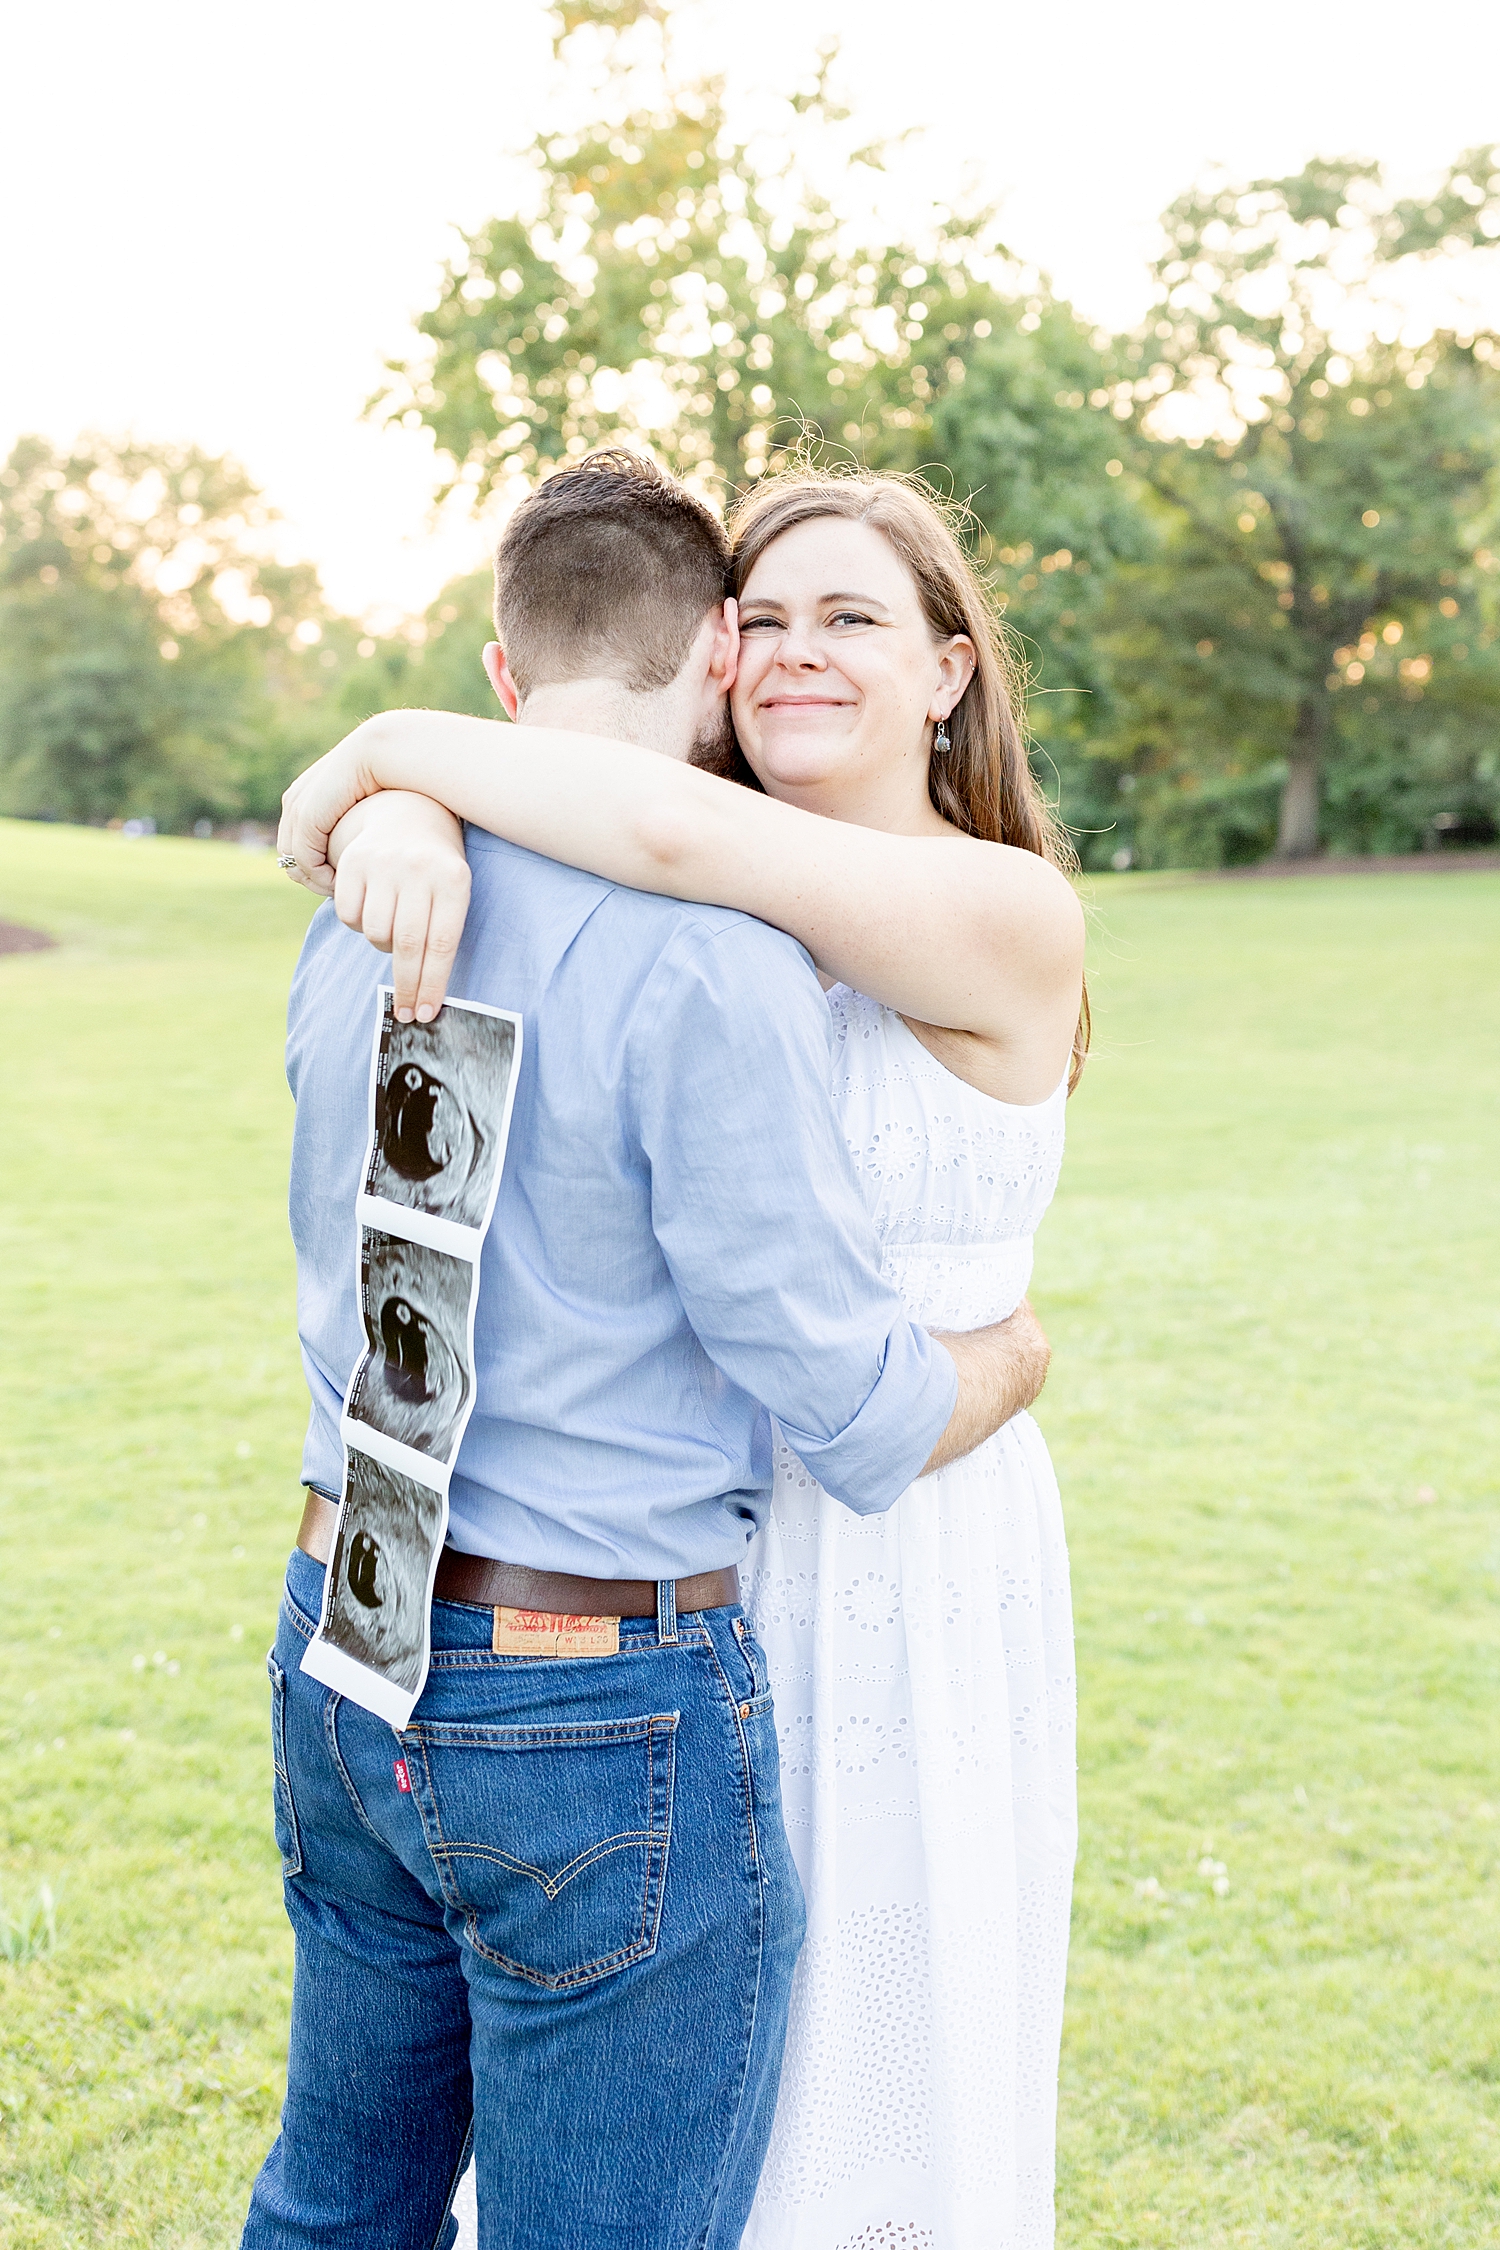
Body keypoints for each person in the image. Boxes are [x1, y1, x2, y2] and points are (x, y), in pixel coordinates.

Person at [256, 452, 1055, 2250]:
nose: (789, 655)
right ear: (709, 649)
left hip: (353, 1624)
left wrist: (382, 782)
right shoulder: (707, 944)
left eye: (849, 617)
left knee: (336, 2198)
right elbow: (846, 1396)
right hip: (609, 1648)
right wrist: (1012, 1360)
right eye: (765, 620)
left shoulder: (358, 921)